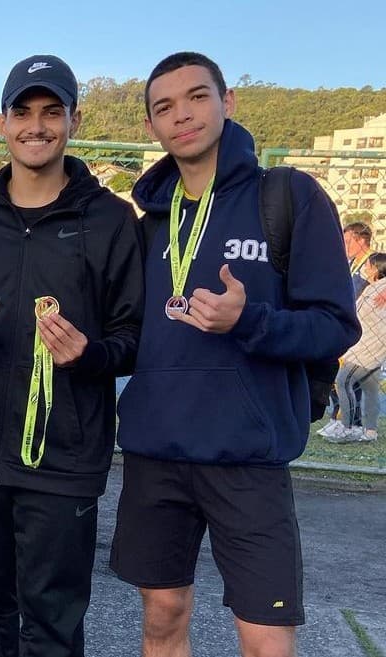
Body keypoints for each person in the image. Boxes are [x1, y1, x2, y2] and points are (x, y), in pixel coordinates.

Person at [110, 52, 361, 657]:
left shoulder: (289, 197)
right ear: (151, 127)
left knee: (267, 640)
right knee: (162, 618)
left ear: (229, 101)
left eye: (197, 97)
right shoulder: (147, 223)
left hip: (248, 458)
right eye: (164, 107)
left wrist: (249, 320)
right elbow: (129, 336)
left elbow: (334, 326)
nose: (182, 116)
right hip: (156, 454)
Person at [0, 55, 144, 657]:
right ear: (2, 123)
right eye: (23, 112)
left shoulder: (109, 219)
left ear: (74, 119)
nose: (37, 126)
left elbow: (133, 336)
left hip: (62, 461)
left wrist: (90, 354)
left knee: (51, 625)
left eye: (52, 112)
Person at [327, 252, 386, 444]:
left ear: (376, 268)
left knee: (342, 381)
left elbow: (357, 314)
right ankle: (370, 431)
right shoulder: (376, 288)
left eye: (368, 265)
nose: (364, 268)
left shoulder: (377, 290)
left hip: (366, 348)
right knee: (370, 388)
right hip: (375, 348)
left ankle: (348, 426)